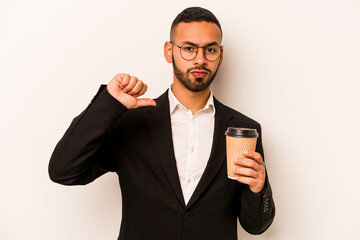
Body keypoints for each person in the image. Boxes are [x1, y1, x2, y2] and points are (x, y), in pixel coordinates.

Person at [48, 7, 275, 240]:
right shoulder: (131, 123)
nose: (200, 59)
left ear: (220, 55)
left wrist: (259, 188)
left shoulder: (245, 130)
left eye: (210, 50)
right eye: (189, 48)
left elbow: (255, 226)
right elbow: (63, 171)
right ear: (169, 51)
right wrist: (108, 105)